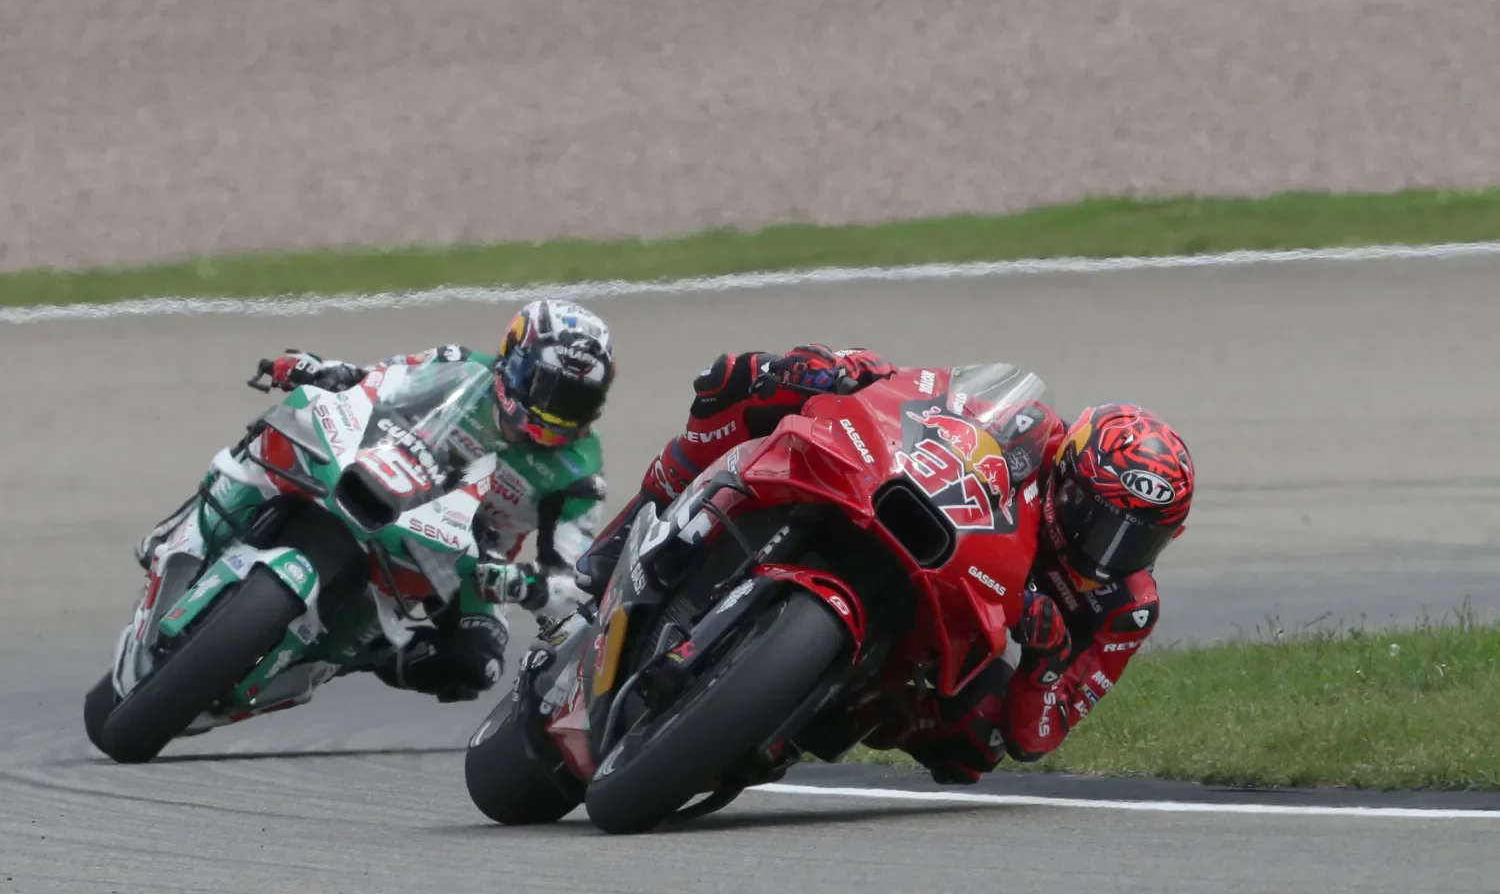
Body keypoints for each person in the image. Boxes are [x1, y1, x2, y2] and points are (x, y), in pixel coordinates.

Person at [572, 344, 1195, 784]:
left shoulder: (1126, 609)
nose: (1108, 551)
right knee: (739, 382)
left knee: (977, 744)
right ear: (1069, 474)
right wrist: (854, 370)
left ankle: (808, 714)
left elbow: (1039, 735)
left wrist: (1046, 662)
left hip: (957, 633)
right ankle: (633, 529)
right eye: (1099, 521)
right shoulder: (1034, 431)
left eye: (1137, 542)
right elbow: (936, 398)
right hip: (935, 533)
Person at [133, 298, 617, 704]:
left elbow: (571, 579)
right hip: (389, 470)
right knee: (287, 424)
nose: (555, 411)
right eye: (547, 389)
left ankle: (358, 653)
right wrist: (320, 371)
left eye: (574, 402)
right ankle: (193, 520)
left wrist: (521, 585)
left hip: (469, 556)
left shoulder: (580, 475)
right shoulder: (460, 364)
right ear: (512, 362)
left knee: (477, 665)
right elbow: (377, 379)